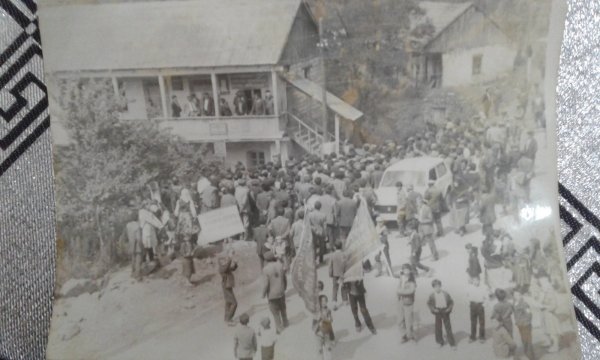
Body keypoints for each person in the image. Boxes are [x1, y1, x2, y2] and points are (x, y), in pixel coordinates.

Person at [262, 251, 288, 333]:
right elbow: (284, 278)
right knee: (283, 309)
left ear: (266, 260)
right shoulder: (280, 265)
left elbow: (266, 284)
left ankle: (279, 327)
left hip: (272, 295)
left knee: (275, 312)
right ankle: (286, 322)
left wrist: (263, 294)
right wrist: (284, 288)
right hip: (281, 291)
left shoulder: (265, 269)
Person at [427, 279, 456, 349]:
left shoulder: (445, 294)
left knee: (448, 327)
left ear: (441, 286)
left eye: (438, 286)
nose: (437, 288)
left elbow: (451, 302)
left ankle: (452, 344)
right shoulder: (432, 295)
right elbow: (429, 303)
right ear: (433, 287)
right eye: (435, 287)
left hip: (445, 310)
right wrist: (433, 309)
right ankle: (440, 342)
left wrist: (449, 309)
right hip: (438, 311)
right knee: (438, 327)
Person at [397, 264, 417, 343]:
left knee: (409, 320)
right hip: (400, 301)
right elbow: (398, 288)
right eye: (404, 269)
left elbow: (411, 291)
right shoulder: (401, 278)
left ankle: (411, 335)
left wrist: (400, 292)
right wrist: (399, 292)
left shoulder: (412, 280)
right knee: (400, 320)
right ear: (402, 270)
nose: (406, 271)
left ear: (410, 270)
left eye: (408, 269)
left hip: (408, 302)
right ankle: (404, 335)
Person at [513, 290, 535, 360]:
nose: (517, 296)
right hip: (520, 325)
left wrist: (525, 323)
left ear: (521, 295)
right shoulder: (515, 303)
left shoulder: (524, 304)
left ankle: (531, 357)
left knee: (528, 341)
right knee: (524, 340)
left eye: (518, 295)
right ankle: (526, 354)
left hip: (525, 325)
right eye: (515, 295)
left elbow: (529, 314)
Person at [218, 253, 238, 326]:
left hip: (227, 286)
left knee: (228, 303)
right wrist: (230, 258)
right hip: (226, 287)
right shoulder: (222, 268)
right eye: (223, 260)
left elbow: (232, 268)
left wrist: (235, 263)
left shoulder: (224, 267)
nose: (225, 261)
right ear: (220, 262)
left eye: (225, 260)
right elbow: (227, 267)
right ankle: (229, 319)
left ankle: (226, 318)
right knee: (234, 303)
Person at [466, 276, 487, 343]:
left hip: (480, 305)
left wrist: (484, 305)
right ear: (472, 281)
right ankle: (473, 336)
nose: (476, 282)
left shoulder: (483, 288)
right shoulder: (470, 288)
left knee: (481, 322)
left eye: (477, 280)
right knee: (473, 322)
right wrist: (469, 303)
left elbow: (486, 297)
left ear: (479, 281)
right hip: (472, 305)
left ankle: (482, 337)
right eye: (474, 281)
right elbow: (467, 296)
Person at [314, 295, 335, 360]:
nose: (324, 302)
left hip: (326, 333)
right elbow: (313, 325)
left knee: (328, 348)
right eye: (322, 301)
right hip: (318, 334)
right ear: (319, 302)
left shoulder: (328, 310)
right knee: (320, 350)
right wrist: (318, 321)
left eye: (325, 300)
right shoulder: (316, 311)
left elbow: (330, 320)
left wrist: (327, 319)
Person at [329, 241, 347, 308]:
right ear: (341, 246)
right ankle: (345, 300)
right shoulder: (344, 254)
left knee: (335, 288)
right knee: (343, 286)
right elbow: (346, 264)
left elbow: (330, 266)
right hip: (342, 273)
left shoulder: (332, 255)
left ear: (335, 247)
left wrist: (330, 274)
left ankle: (334, 302)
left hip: (335, 274)